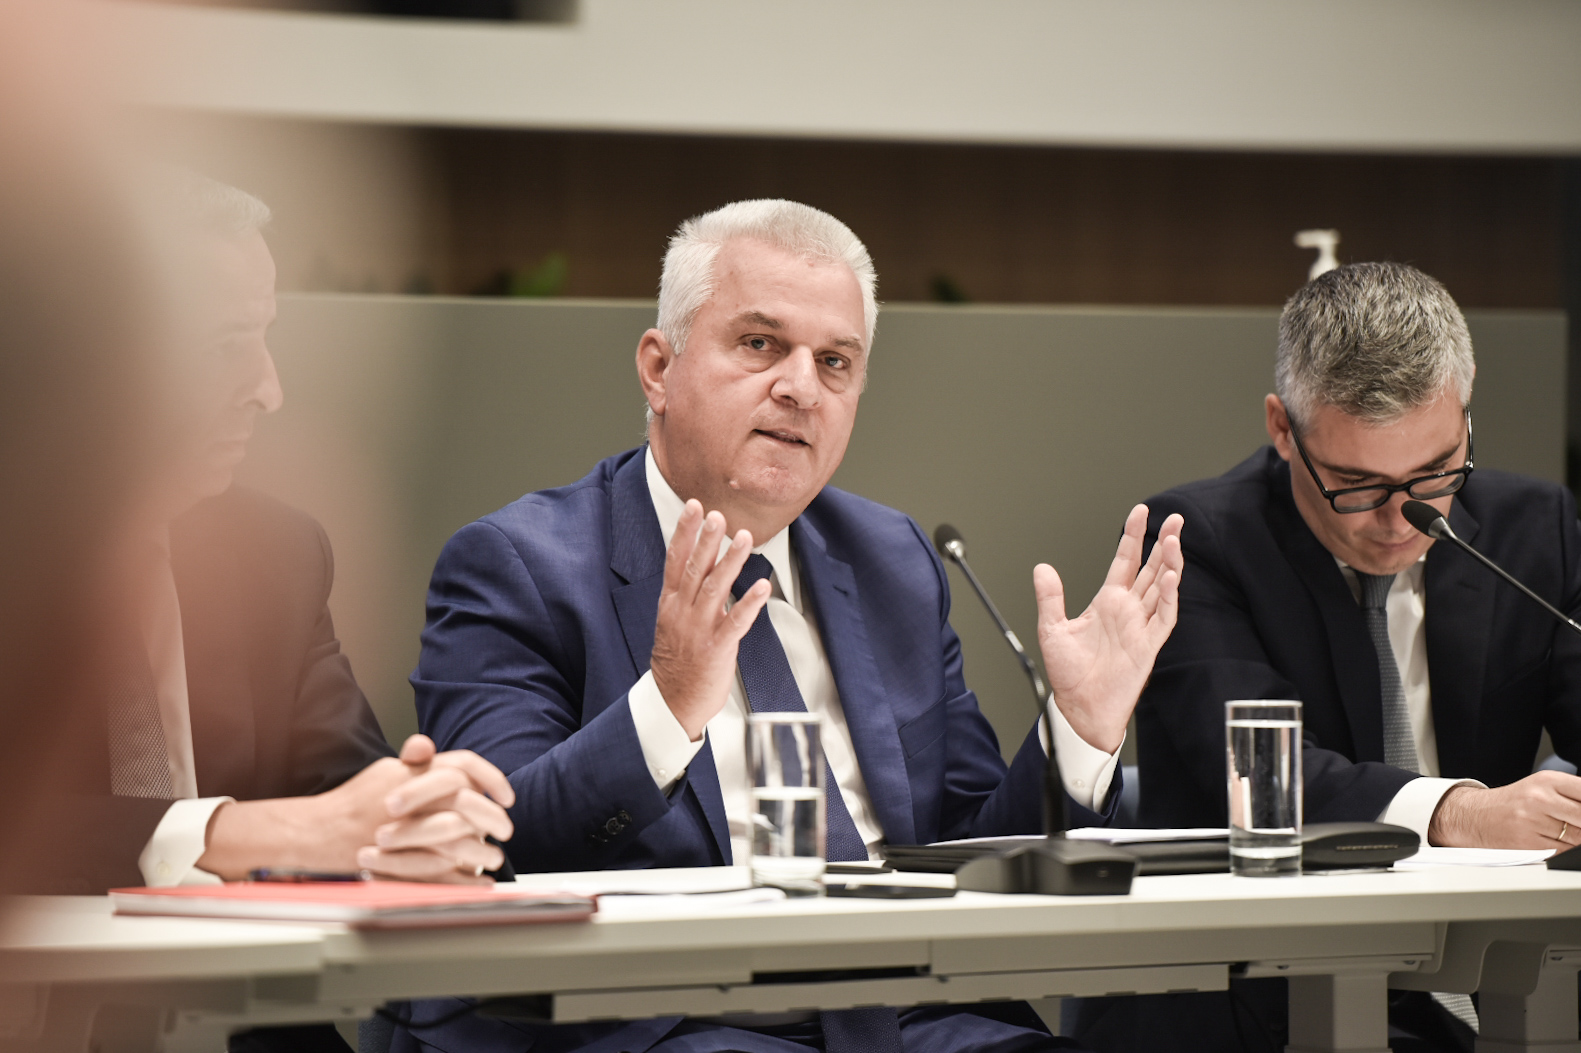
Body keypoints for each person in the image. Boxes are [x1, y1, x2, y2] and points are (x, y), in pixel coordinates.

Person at [399, 199, 1184, 1053]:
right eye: (759, 343)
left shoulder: (892, 560)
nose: (800, 387)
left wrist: (1079, 727)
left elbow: (970, 853)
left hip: (912, 1018)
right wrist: (667, 705)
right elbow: (499, 848)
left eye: (834, 361)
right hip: (673, 1024)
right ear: (658, 368)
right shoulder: (518, 564)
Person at [1076, 261, 1579, 1053]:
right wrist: (1461, 812)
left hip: (1498, 975)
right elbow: (1257, 777)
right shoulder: (1197, 543)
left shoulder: (1532, 525)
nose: (1400, 518)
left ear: (1465, 403)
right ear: (1282, 428)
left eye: (1434, 473)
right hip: (1255, 997)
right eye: (1356, 483)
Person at [13, 174, 518, 911]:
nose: (268, 389)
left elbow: (342, 797)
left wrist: (414, 821)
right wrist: (234, 833)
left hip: (253, 984)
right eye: (226, 345)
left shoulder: (275, 553)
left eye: (266, 338)